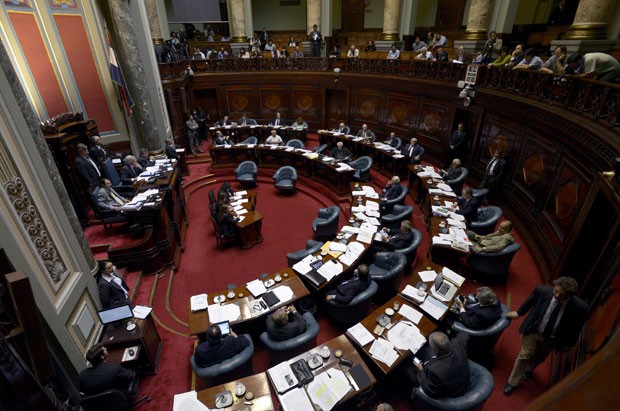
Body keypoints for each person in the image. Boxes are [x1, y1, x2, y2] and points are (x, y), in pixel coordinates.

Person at [503, 276, 588, 395]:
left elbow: (576, 327)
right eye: (556, 291)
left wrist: (570, 344)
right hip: (534, 329)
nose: (557, 296)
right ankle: (512, 383)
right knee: (525, 355)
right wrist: (518, 313)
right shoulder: (542, 290)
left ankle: (528, 369)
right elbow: (530, 301)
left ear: (570, 295)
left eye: (562, 294)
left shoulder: (580, 307)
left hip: (552, 338)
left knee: (539, 358)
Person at [408, 331, 470, 399]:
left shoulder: (435, 370)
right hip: (458, 372)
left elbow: (430, 390)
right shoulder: (458, 343)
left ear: (436, 351)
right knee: (427, 349)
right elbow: (464, 334)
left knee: (408, 369)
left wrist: (420, 369)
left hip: (454, 391)